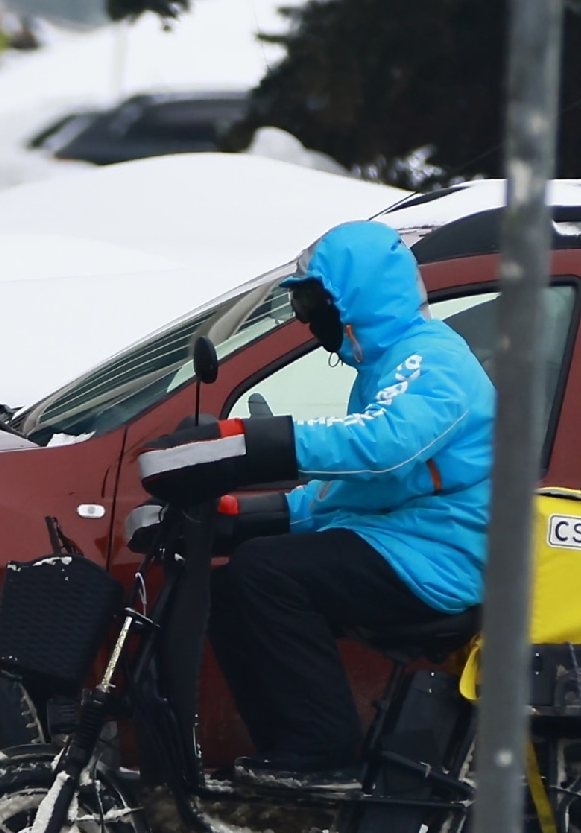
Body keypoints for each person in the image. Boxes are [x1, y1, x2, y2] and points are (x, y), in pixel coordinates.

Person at [201, 219, 495, 792]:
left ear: (358, 296)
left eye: (315, 301)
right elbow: (369, 486)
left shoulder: (432, 362)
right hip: (408, 538)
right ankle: (287, 756)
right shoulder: (384, 368)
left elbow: (382, 448)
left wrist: (259, 439)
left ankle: (323, 752)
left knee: (267, 574)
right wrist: (263, 512)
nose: (309, 320)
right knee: (231, 587)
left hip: (444, 556)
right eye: (302, 306)